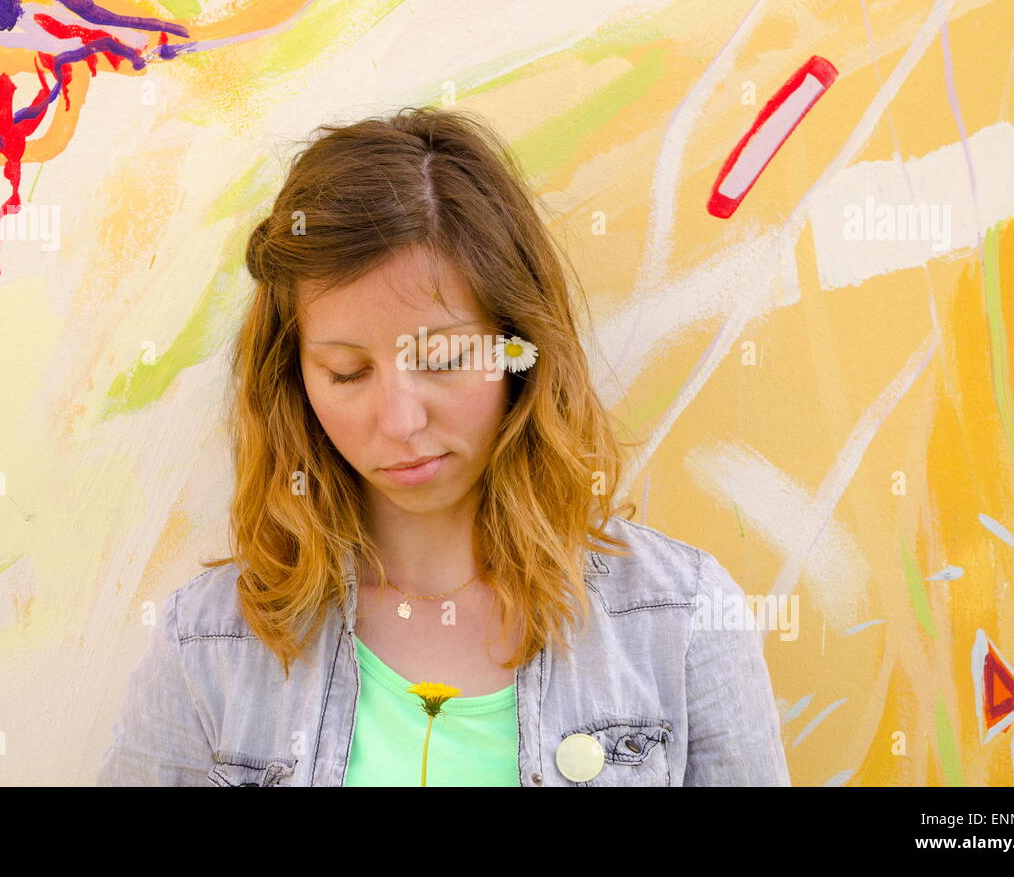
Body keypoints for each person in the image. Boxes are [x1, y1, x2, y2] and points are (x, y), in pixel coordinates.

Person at [97, 106, 790, 787]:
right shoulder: (207, 643)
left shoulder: (680, 618)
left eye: (444, 357)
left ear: (520, 346)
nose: (398, 419)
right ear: (296, 377)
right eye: (347, 372)